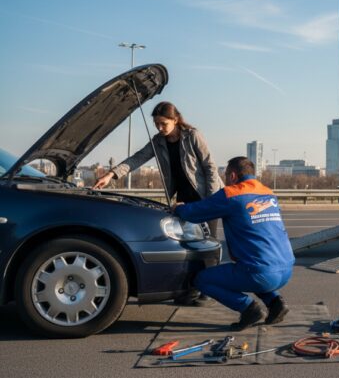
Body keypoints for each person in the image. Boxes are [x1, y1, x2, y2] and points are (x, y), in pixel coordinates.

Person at [172, 156, 294, 330]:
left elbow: (195, 213)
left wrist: (179, 208)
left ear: (233, 176)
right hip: (286, 270)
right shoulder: (268, 193)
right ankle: (276, 303)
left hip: (260, 273)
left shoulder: (232, 194)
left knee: (202, 280)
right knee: (255, 265)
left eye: (226, 175)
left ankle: (248, 308)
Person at [93, 101, 223, 237]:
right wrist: (110, 174)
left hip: (206, 196)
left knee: (209, 240)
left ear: (175, 120)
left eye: (163, 124)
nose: (159, 128)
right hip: (183, 200)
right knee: (188, 241)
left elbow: (210, 167)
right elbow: (137, 159)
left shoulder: (192, 136)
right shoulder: (158, 141)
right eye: (156, 124)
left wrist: (210, 200)